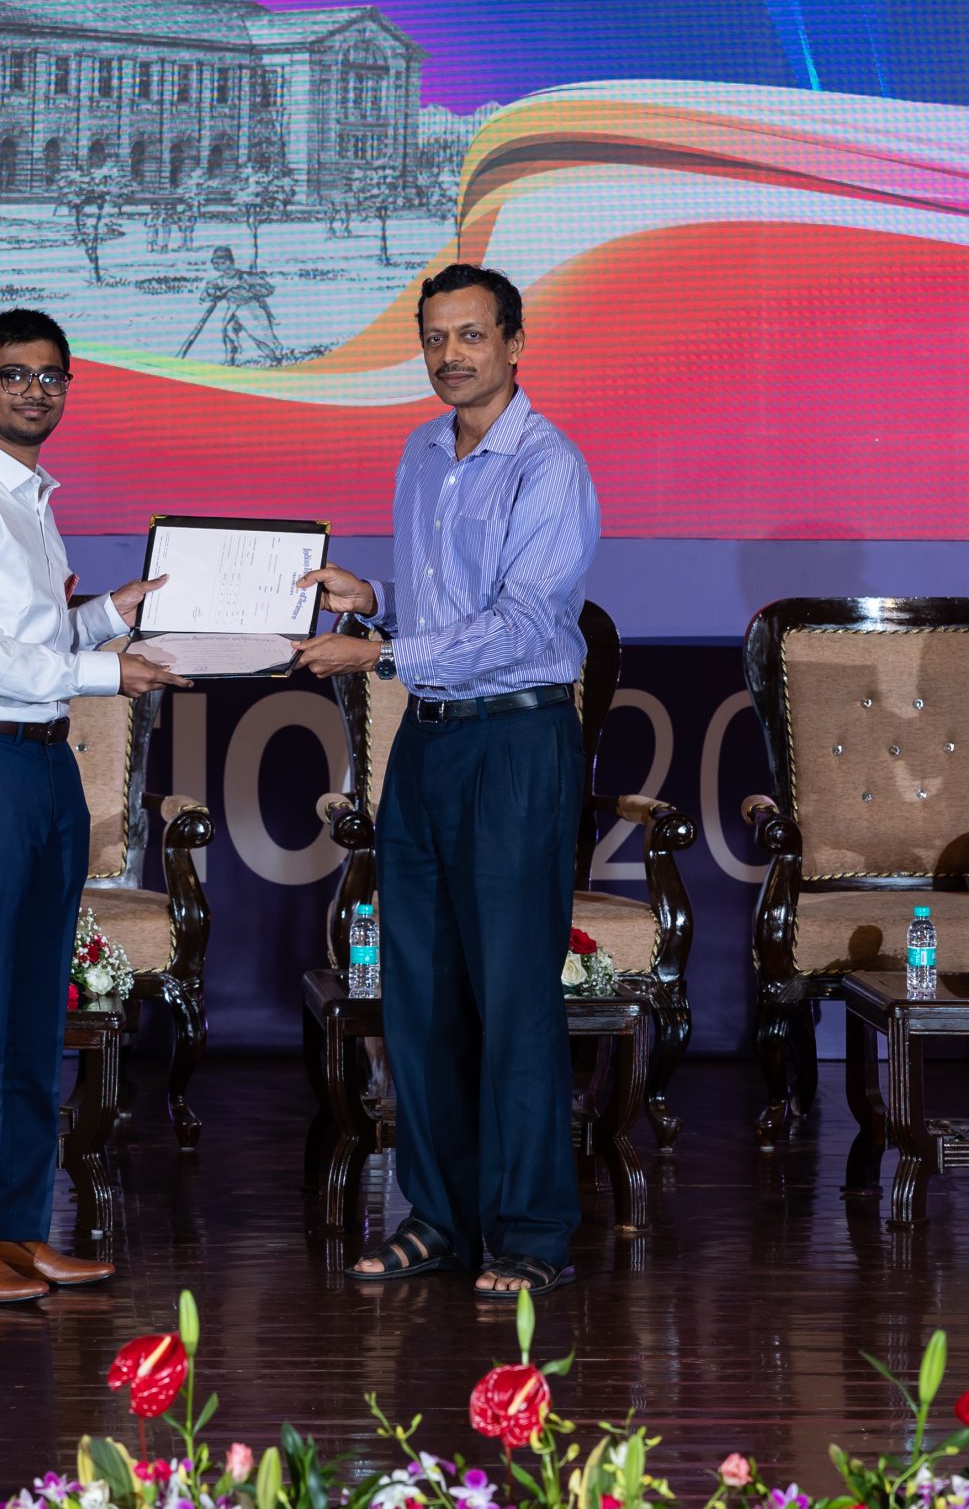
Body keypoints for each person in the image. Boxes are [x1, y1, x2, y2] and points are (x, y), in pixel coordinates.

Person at [292, 262, 599, 1301]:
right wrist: (373, 599)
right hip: (425, 743)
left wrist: (379, 654)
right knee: (419, 994)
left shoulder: (549, 465)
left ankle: (532, 1231)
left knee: (513, 995)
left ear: (514, 343)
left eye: (471, 335)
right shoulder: (422, 453)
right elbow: (443, 605)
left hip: (515, 743)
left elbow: (520, 621)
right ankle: (438, 1217)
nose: (450, 356)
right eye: (434, 338)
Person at [0, 306, 188, 1304]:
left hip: (41, 761)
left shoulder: (25, 498)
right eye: (13, 375)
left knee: (30, 1009)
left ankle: (15, 1230)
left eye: (51, 375)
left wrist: (104, 616)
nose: (34, 390)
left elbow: (23, 631)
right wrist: (102, 670)